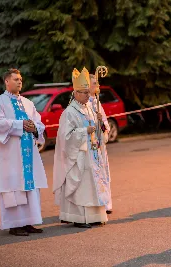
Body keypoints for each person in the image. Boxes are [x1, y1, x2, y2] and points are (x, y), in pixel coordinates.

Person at [0, 68, 48, 236]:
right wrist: (20, 125)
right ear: (6, 81)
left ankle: (29, 222)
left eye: (20, 79)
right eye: (15, 79)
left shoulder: (29, 103)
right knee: (14, 188)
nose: (19, 81)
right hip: (11, 155)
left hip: (29, 153)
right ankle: (15, 225)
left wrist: (34, 128)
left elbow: (39, 124)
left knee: (30, 187)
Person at [53, 67, 111, 228]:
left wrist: (99, 124)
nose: (88, 95)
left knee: (93, 186)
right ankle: (79, 218)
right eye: (84, 92)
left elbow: (98, 132)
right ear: (76, 93)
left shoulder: (90, 109)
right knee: (82, 187)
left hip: (92, 154)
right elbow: (65, 137)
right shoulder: (69, 112)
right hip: (79, 156)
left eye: (88, 92)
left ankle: (96, 215)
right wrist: (84, 131)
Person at [89, 74, 112, 214]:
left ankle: (106, 202)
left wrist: (102, 126)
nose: (97, 85)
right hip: (90, 144)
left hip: (99, 144)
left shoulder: (97, 102)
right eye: (94, 83)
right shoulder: (83, 103)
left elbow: (104, 124)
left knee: (104, 172)